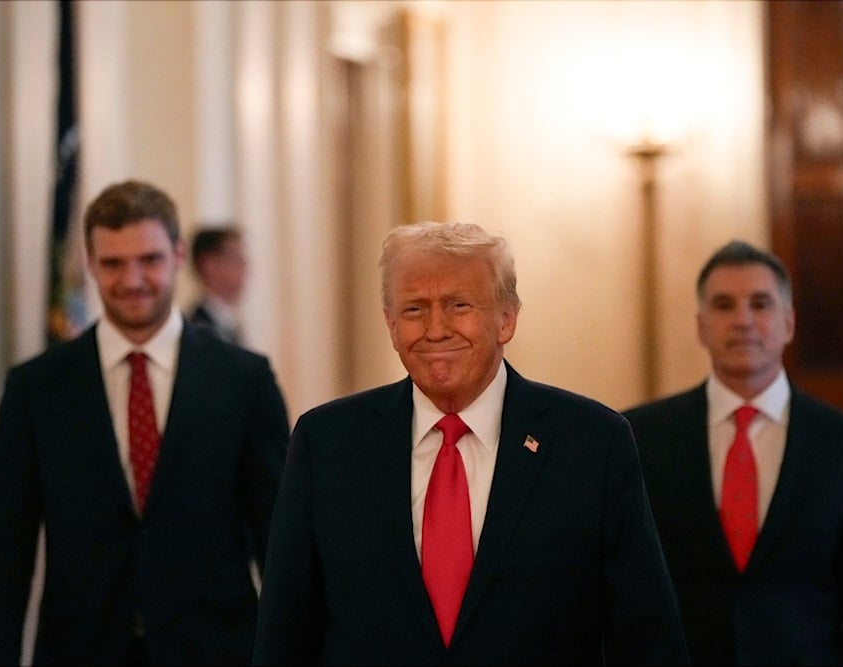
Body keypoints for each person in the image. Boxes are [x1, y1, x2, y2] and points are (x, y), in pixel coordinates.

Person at [252, 220, 688, 664]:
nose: (435, 329)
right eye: (414, 309)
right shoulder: (327, 444)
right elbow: (285, 631)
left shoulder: (592, 442)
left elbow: (646, 633)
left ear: (506, 318)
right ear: (390, 324)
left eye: (459, 305)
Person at [0, 180, 291, 665]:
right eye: (113, 263)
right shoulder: (37, 389)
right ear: (90, 263)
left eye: (150, 260)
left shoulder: (244, 381)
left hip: (216, 649)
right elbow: (4, 551)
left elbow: (280, 539)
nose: (133, 280)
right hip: (80, 649)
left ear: (179, 255)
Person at [623, 240, 843, 665]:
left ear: (788, 323)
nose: (743, 321)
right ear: (701, 326)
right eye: (723, 305)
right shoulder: (640, 436)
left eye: (760, 303)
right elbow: (621, 586)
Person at [187, 225, 247, 345]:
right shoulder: (198, 331)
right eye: (237, 259)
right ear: (209, 265)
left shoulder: (228, 323)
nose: (245, 268)